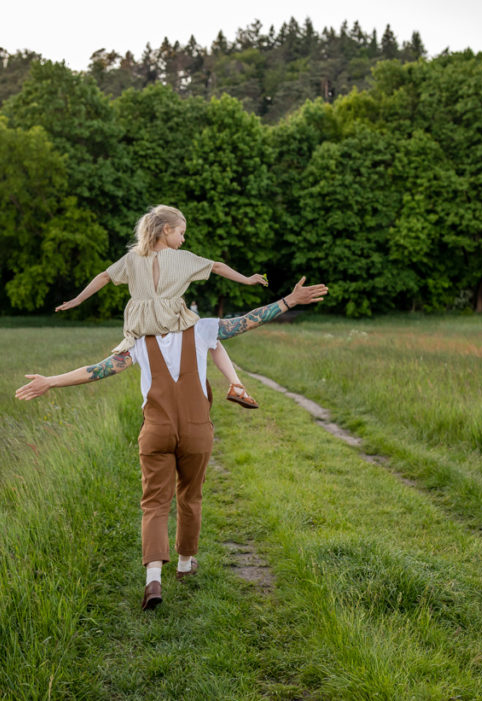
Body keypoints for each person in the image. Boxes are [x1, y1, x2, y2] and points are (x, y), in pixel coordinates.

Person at [16, 277, 328, 610]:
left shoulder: (137, 342)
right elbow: (249, 320)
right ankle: (184, 564)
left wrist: (51, 381)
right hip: (196, 431)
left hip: (156, 431)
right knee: (190, 496)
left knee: (153, 503)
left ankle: (153, 578)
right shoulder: (204, 329)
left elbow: (97, 370)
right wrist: (290, 300)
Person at [55, 205, 266, 409]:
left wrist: (78, 300)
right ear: (166, 229)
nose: (183, 239)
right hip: (171, 319)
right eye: (181, 233)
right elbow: (217, 266)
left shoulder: (132, 257)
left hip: (141, 324)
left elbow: (104, 276)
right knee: (212, 338)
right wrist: (247, 280)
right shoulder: (183, 259)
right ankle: (236, 384)